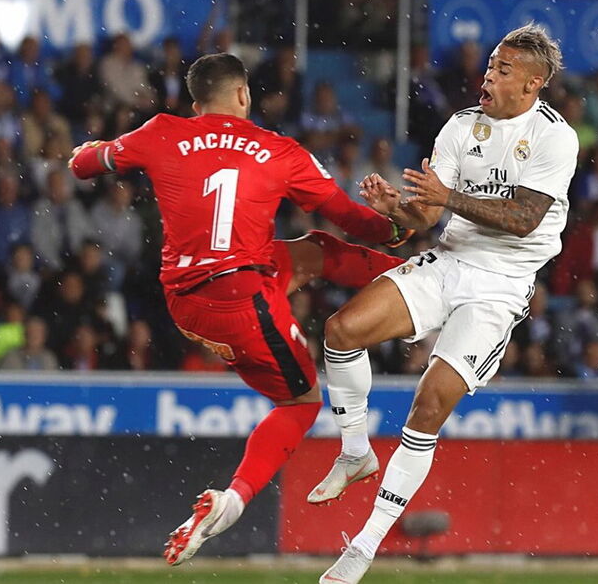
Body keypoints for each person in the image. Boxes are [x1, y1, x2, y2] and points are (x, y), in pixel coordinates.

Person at [69, 53, 410, 567]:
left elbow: (83, 166)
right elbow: (351, 218)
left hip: (186, 301)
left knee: (310, 252)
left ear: (195, 103)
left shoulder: (162, 132)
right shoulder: (279, 150)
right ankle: (232, 502)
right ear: (244, 94)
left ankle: (414, 277)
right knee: (301, 402)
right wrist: (397, 226)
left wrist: (92, 151)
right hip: (243, 298)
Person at [315, 24, 578, 583]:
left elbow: (523, 219)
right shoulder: (461, 125)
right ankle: (356, 451)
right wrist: (396, 208)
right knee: (340, 330)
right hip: (450, 260)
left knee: (429, 405)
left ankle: (364, 545)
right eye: (490, 65)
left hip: (501, 285)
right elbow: (428, 216)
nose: (488, 75)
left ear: (533, 84)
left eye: (502, 69)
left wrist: (449, 197)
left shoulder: (556, 138)